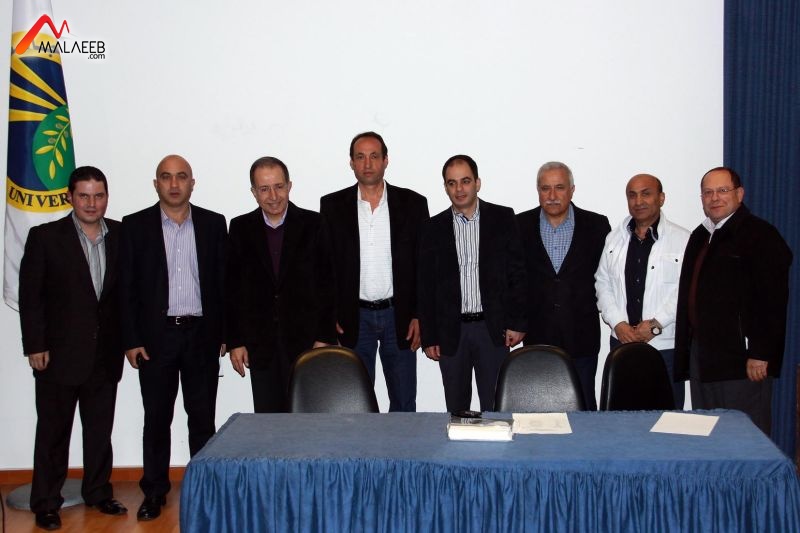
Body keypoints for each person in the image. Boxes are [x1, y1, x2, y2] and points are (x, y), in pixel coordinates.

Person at [19, 166, 127, 530]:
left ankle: (98, 492)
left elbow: (125, 296)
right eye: (84, 196)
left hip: (105, 354)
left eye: (98, 196)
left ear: (106, 197)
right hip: (58, 355)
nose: (92, 203)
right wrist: (35, 344)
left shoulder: (121, 235)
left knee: (99, 432)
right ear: (70, 197)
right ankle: (46, 502)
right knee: (53, 434)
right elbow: (31, 297)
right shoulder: (46, 237)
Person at [119, 155, 226, 521]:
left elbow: (223, 283)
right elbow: (126, 288)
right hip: (156, 338)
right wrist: (131, 339)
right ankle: (154, 492)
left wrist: (224, 333)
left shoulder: (213, 224)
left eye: (182, 177)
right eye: (166, 177)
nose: (175, 184)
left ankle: (204, 489)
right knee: (156, 418)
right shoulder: (134, 226)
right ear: (156, 184)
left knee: (202, 418)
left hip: (201, 335)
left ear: (192, 183)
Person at [675, 166, 792, 434]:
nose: (714, 198)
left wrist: (761, 353)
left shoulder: (760, 235)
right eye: (708, 192)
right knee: (709, 433)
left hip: (742, 360)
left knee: (745, 435)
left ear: (740, 194)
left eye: (722, 190)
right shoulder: (700, 235)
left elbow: (773, 300)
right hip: (704, 356)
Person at [320, 132, 429, 412]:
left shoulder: (413, 204)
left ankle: (402, 444)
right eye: (360, 157)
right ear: (351, 163)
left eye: (374, 156)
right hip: (354, 318)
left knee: (403, 402)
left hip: (399, 317)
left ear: (386, 160)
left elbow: (424, 265)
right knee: (356, 404)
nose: (367, 164)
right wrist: (329, 316)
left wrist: (420, 314)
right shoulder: (332, 206)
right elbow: (324, 266)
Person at [418, 155, 527, 412]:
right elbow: (425, 286)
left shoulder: (502, 218)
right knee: (457, 410)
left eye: (465, 181)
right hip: (451, 333)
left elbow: (518, 274)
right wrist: (429, 336)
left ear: (477, 183)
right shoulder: (432, 228)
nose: (459, 189)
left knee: (496, 408)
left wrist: (517, 322)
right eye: (452, 183)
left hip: (493, 330)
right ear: (445, 187)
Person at [226, 157, 336, 412]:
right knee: (268, 421)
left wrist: (324, 337)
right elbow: (232, 288)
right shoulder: (240, 228)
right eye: (264, 189)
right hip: (260, 344)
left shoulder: (314, 224)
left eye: (279, 186)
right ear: (254, 192)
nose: (273, 196)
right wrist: (235, 341)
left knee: (308, 419)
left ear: (289, 186)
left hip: (307, 343)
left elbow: (328, 285)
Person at [517, 161, 610, 410]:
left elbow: (607, 279)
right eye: (545, 188)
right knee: (539, 409)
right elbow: (513, 280)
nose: (552, 195)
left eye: (559, 187)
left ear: (572, 190)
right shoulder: (519, 225)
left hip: (581, 335)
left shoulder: (597, 226)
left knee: (583, 407)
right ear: (538, 191)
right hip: (537, 334)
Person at [595, 174, 690, 407]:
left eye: (646, 194)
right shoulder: (614, 239)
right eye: (632, 195)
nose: (638, 201)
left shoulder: (683, 239)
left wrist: (656, 324)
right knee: (622, 417)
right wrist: (618, 324)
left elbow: (685, 290)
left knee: (668, 418)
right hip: (622, 343)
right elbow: (602, 283)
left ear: (661, 198)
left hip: (665, 346)